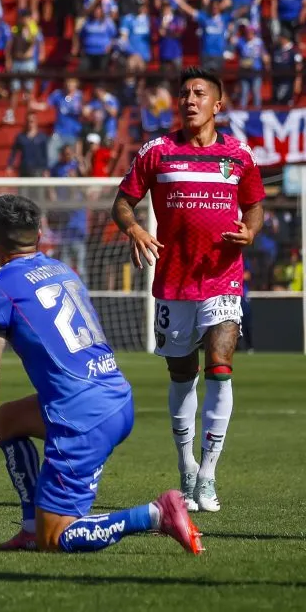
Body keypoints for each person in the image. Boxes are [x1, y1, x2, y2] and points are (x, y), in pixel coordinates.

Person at [0, 194, 203, 555]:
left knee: (55, 540)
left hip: (81, 417)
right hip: (116, 398)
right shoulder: (61, 270)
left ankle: (156, 513)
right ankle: (29, 528)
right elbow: (26, 287)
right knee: (9, 419)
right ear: (39, 234)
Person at [111, 67, 265, 513]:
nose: (189, 100)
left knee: (220, 365)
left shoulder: (239, 155)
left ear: (217, 105)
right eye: (183, 94)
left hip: (222, 277)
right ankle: (186, 467)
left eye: (199, 93)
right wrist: (135, 228)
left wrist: (250, 233)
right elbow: (123, 201)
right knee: (182, 374)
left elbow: (254, 206)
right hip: (174, 281)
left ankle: (210, 476)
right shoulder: (158, 151)